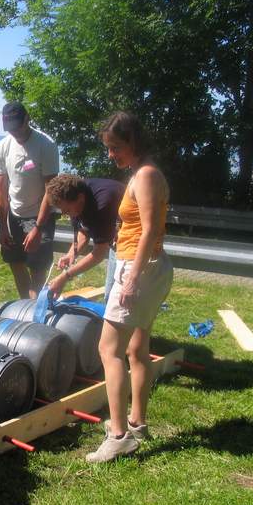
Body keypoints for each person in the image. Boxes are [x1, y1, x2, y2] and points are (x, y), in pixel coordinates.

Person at [87, 111, 174, 463]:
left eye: (116, 147)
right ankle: (136, 422)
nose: (111, 154)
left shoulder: (147, 175)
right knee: (138, 349)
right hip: (145, 265)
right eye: (108, 148)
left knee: (108, 350)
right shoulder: (142, 172)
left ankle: (119, 436)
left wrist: (132, 279)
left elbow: (150, 230)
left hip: (139, 268)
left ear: (133, 142)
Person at [0, 102, 60, 299]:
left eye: (17, 127)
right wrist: (3, 227)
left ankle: (34, 309)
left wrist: (38, 228)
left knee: (38, 268)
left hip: (40, 215)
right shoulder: (3, 146)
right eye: (10, 129)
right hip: (14, 216)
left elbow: (51, 191)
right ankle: (25, 306)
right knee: (15, 262)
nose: (14, 132)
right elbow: (1, 190)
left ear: (27, 119)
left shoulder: (46, 145)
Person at [44, 174, 125, 301]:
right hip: (119, 243)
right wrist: (72, 253)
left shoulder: (101, 203)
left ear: (80, 198)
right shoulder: (77, 197)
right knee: (110, 297)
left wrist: (65, 276)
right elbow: (84, 230)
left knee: (121, 300)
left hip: (139, 245)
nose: (64, 213)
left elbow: (99, 253)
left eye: (67, 210)